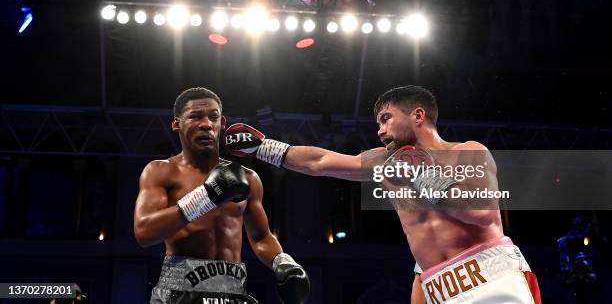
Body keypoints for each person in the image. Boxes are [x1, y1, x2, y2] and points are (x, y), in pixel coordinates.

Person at [223, 85, 541, 304]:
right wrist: (263, 148)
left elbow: (481, 213)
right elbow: (320, 162)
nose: (380, 130)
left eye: (386, 118)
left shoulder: (468, 152)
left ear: (418, 115)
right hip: (437, 283)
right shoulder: (385, 163)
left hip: (491, 275)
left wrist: (423, 175)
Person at [133, 87, 309, 304]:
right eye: (196, 117)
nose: (206, 124)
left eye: (213, 117)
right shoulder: (161, 171)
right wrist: (206, 196)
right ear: (177, 123)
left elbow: (261, 237)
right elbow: (144, 232)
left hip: (233, 291)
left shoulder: (247, 177)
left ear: (222, 123)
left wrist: (283, 262)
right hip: (179, 291)